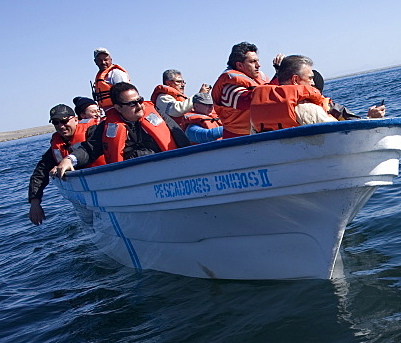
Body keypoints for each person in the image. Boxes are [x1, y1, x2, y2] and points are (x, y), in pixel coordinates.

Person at [53, 83, 189, 173]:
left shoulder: (158, 115)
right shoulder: (106, 128)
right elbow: (89, 149)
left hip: (169, 170)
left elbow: (183, 142)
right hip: (134, 179)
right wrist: (69, 159)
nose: (139, 106)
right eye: (132, 104)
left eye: (140, 100)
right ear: (118, 108)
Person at [249, 55, 385, 132]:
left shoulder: (256, 114)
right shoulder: (307, 109)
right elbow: (342, 132)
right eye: (310, 78)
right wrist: (371, 120)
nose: (313, 83)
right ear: (295, 80)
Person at [27, 104, 101, 224]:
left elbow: (91, 150)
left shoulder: (93, 132)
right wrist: (35, 203)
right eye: (56, 122)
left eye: (64, 121)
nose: (61, 126)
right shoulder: (55, 147)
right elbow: (40, 173)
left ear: (76, 120)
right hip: (85, 194)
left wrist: (69, 160)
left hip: (103, 183)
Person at [213, 42, 284, 139]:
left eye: (257, 61)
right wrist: (279, 75)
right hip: (237, 140)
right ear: (239, 65)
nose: (258, 65)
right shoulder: (228, 86)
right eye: (252, 62)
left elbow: (267, 92)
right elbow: (249, 101)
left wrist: (283, 75)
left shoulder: (259, 78)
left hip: (258, 135)